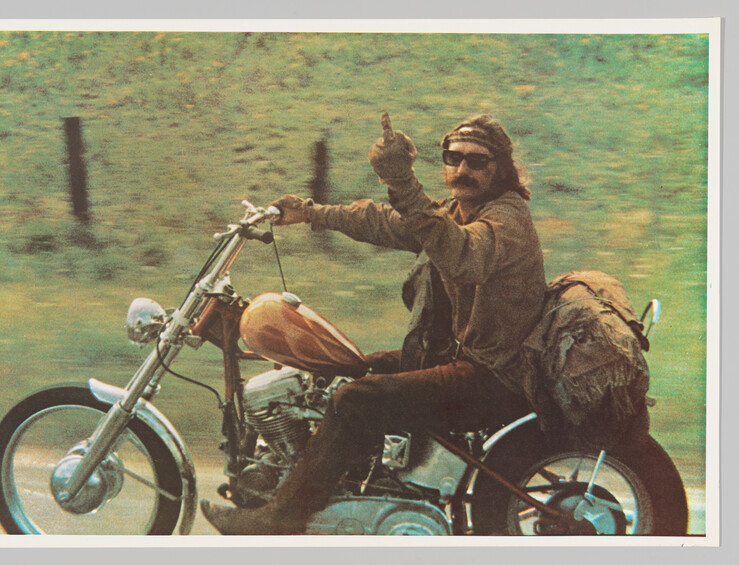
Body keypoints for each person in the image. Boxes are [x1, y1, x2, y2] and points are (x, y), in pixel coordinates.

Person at [201, 112, 546, 535]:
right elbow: (388, 222)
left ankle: (280, 519)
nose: (463, 169)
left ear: (501, 169)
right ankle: (354, 487)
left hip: (494, 377)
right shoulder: (460, 210)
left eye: (478, 161)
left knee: (354, 400)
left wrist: (402, 180)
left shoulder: (505, 217)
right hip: (465, 360)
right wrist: (310, 212)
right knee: (344, 371)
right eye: (454, 157)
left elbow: (460, 255)